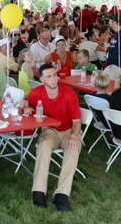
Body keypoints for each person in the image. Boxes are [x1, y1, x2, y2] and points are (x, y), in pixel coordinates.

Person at [28, 64, 82, 212]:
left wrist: (73, 136)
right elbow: (27, 105)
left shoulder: (69, 94)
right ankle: (38, 191)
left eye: (55, 75)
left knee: (73, 148)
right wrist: (26, 107)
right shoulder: (35, 93)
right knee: (44, 146)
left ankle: (62, 194)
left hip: (69, 130)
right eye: (49, 76)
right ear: (42, 79)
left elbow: (77, 122)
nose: (53, 79)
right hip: (49, 130)